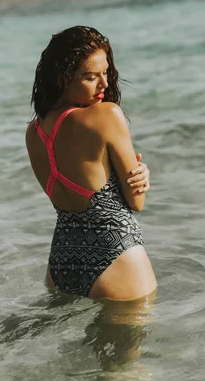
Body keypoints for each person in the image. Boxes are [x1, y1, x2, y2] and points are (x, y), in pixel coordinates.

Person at [25, 26, 157, 300]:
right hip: (116, 256)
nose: (105, 84)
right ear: (62, 77)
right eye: (90, 76)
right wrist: (140, 176)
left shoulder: (34, 133)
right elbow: (137, 202)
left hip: (62, 260)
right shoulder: (106, 116)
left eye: (105, 72)